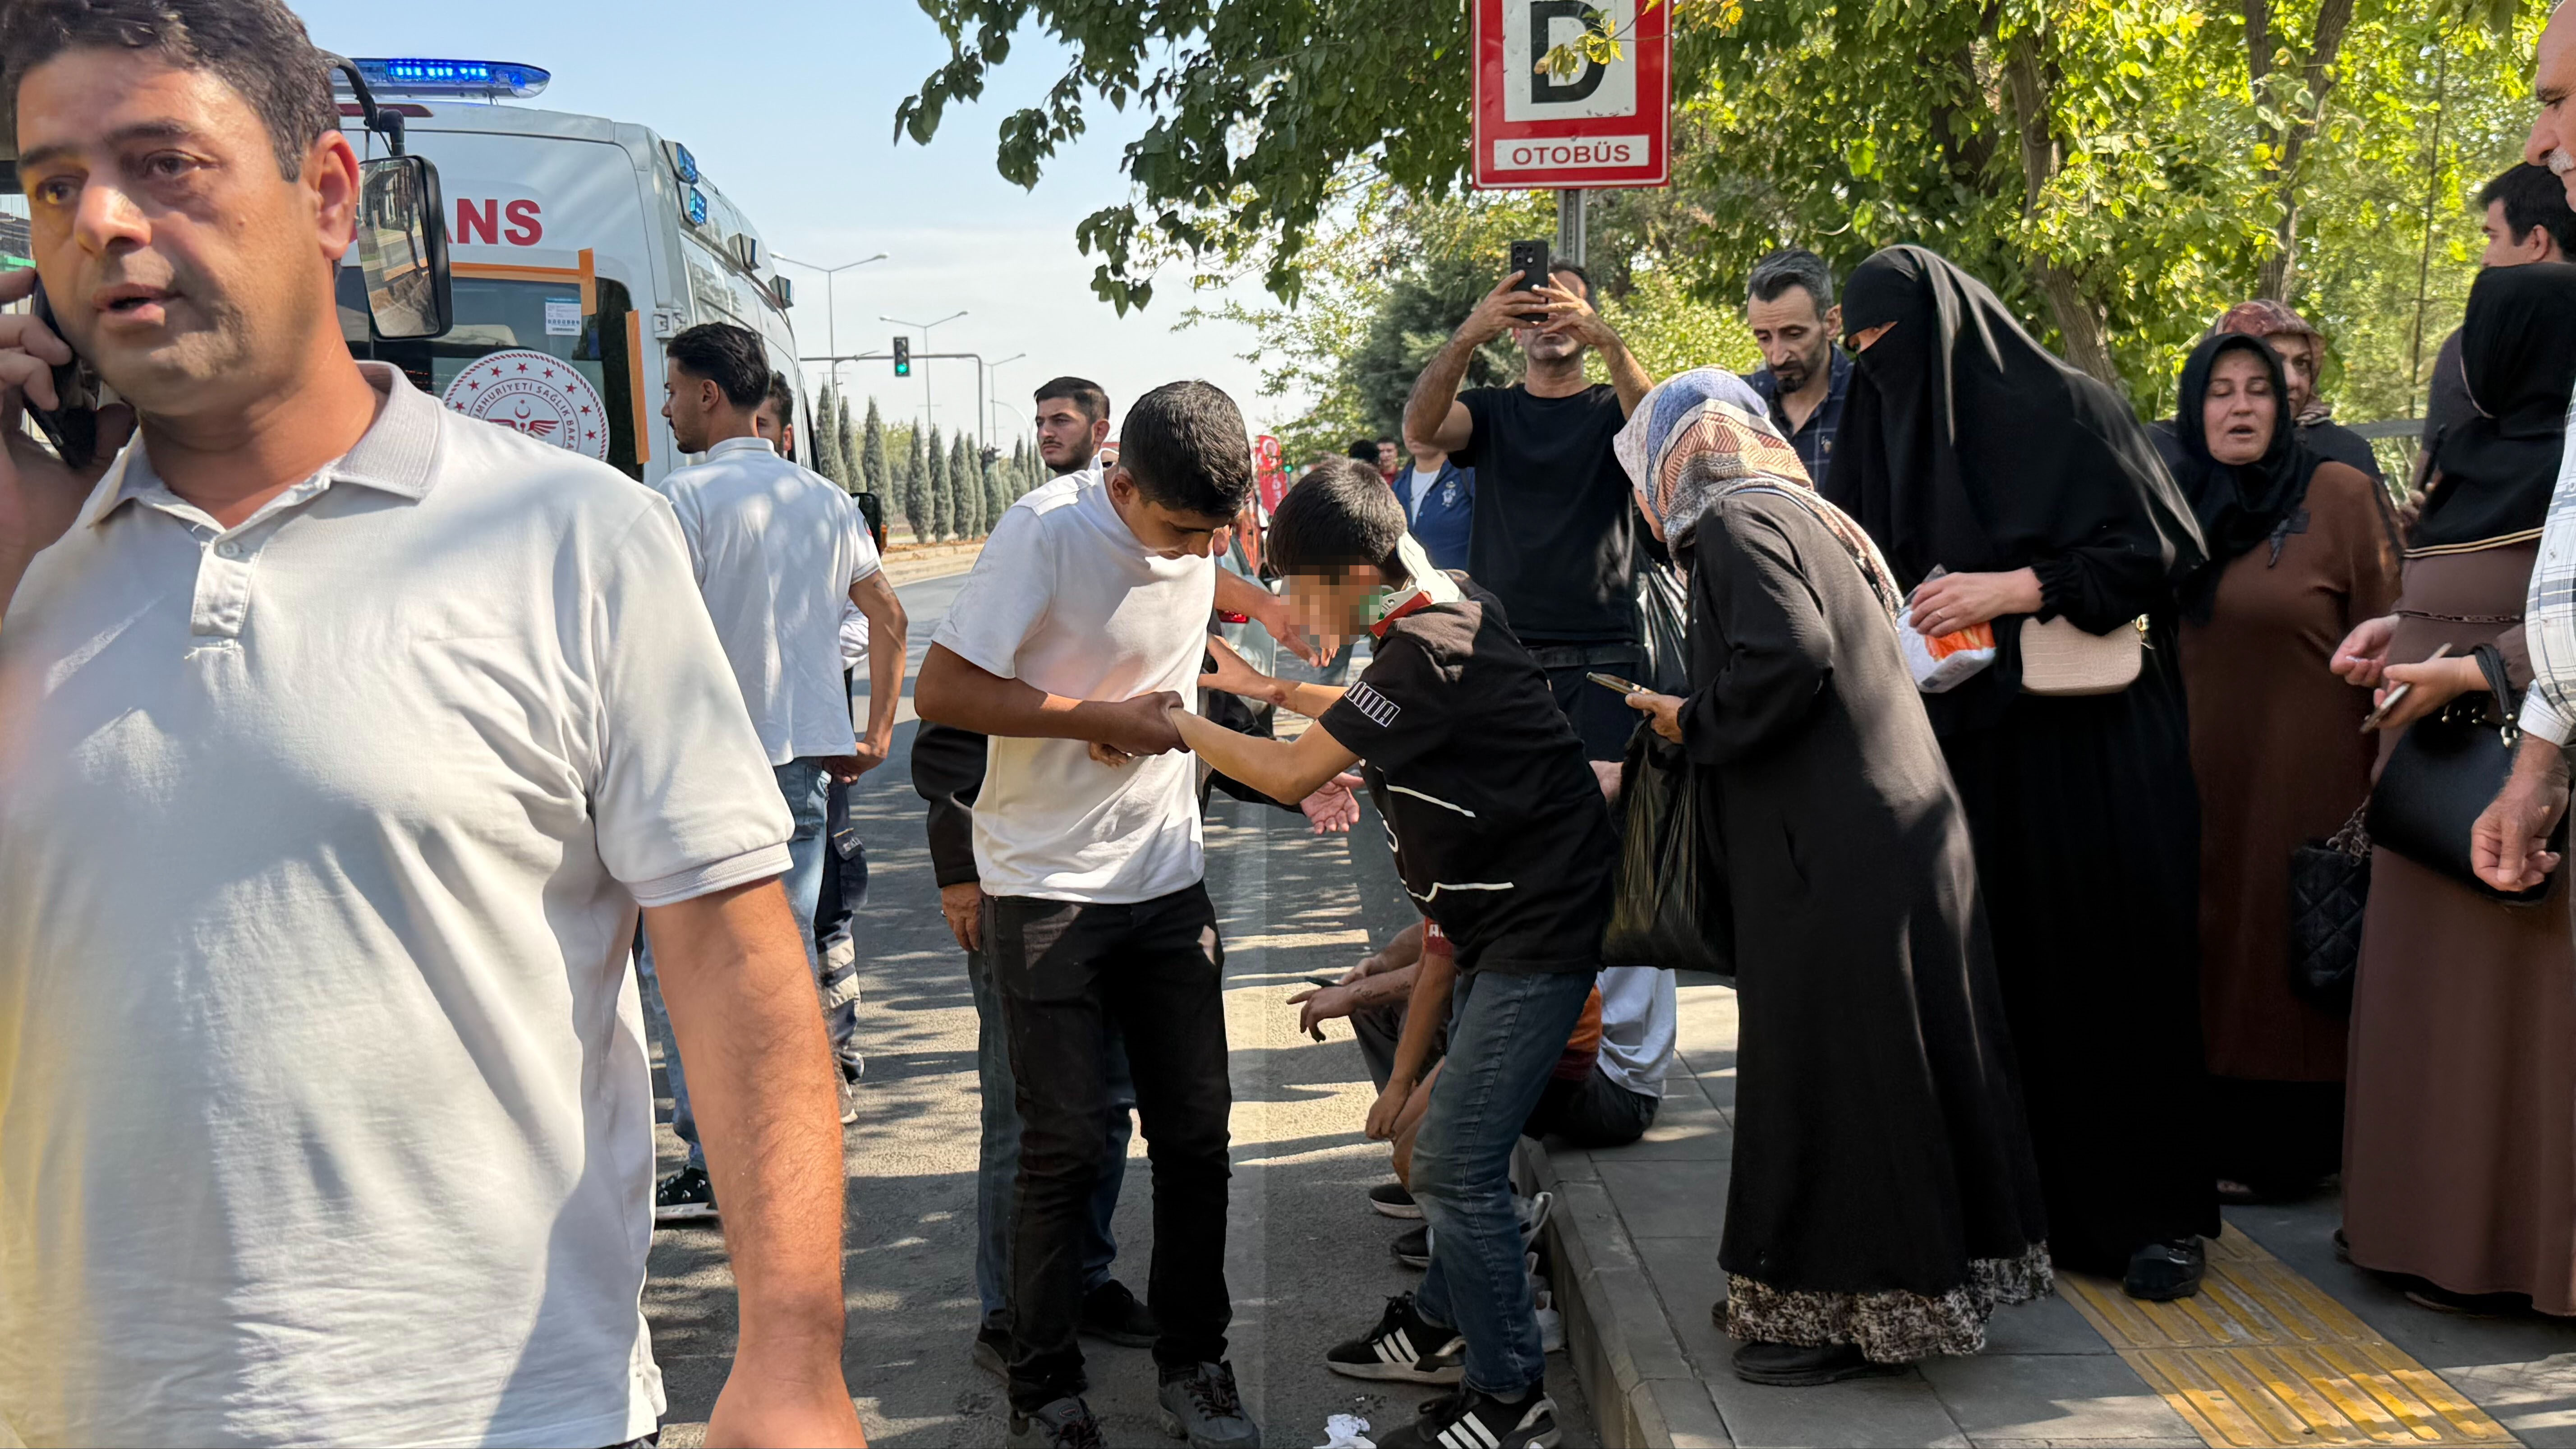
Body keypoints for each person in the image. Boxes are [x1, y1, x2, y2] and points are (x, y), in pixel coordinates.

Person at [0, 3, 867, 1442]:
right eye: (48, 183)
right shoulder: (29, 559)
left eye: (164, 162)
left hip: (506, 1411)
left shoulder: (568, 537)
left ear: (330, 196)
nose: (97, 218)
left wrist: (790, 1354)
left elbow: (728, 953)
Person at [1609, 370, 2050, 1380]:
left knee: (1838, 1079)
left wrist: (1693, 719)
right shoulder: (1810, 515)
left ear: (1672, 460)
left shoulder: (1730, 522)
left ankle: (1851, 1310)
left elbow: (1791, 652)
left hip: (1838, 850)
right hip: (1899, 830)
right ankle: (1934, 1284)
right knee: (1908, 1064)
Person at [1177, 456, 1619, 1449]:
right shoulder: (1440, 614)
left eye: (1299, 586)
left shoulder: (1426, 650)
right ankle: (1441, 1327)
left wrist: (1180, 723)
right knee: (1452, 1154)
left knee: (1456, 1167)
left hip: (1535, 932)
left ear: (1357, 569)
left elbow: (1297, 773)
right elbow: (1360, 714)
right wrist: (1271, 685)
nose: (1289, 604)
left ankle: (1510, 1400)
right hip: (1501, 924)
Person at [1826, 245, 2217, 1301]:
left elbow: (2162, 555)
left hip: (2094, 757)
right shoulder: (1880, 418)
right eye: (1856, 352)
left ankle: (2154, 1220)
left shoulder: (2072, 411)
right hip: (1973, 752)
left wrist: (2014, 587)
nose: (1875, 370)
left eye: (1887, 347)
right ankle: (2020, 1214)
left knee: (2113, 975)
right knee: (2001, 980)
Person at [915, 380, 1262, 1449]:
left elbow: (1190, 632)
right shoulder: (1046, 532)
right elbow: (943, 692)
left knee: (1198, 1140)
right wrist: (1094, 718)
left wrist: (1260, 662)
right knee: (1061, 1146)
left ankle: (1197, 1364)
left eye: (1213, 531)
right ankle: (1043, 1385)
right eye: (1178, 528)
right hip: (1047, 887)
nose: (1194, 548)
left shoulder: (1198, 529)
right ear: (1121, 482)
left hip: (1166, 880)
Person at [2341, 262, 2576, 1317]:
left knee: (2510, 1038)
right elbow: (2454, 588)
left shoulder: (2560, 470)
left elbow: (2561, 625)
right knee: (2424, 1023)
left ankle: (2515, 1263)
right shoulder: (2472, 459)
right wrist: (2404, 631)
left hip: (2511, 773)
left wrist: (2470, 669)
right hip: (2431, 777)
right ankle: (2417, 1235)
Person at [640, 321, 907, 1218]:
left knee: (684, 967)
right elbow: (889, 617)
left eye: (674, 388)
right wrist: (873, 733)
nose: (669, 405)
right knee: (784, 955)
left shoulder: (682, 502)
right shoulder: (827, 500)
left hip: (701, 773)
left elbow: (644, 647)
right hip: (797, 770)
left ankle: (717, 1164)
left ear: (709, 393)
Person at [2160, 335, 2399, 1203]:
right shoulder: (2179, 502)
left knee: (2290, 946)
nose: (2239, 407)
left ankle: (2295, 1149)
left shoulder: (2337, 495)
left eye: (2258, 389)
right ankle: (2213, 1134)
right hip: (2196, 771)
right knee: (2216, 944)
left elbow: (2393, 634)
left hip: (2314, 775)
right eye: (2218, 391)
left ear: (2286, 403)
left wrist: (2384, 776)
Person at [1406, 258, 1655, 760]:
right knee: (1515, 827)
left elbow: (1658, 434)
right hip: (1505, 658)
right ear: (1516, 334)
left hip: (1606, 659)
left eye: (1563, 307)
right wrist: (1468, 336)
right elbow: (1420, 431)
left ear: (1587, 323)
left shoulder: (1615, 409)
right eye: (1535, 311)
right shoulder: (1490, 412)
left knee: (1606, 823)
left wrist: (1610, 341)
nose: (1549, 322)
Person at [2417, 165, 2575, 487]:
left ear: (2536, 241)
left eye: (2493, 237)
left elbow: (2433, 481)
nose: (2486, 259)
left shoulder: (2472, 348)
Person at [2208, 300, 2383, 485]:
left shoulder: (2347, 454)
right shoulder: (2182, 453)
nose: (2293, 381)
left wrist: (2403, 515)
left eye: (2302, 364)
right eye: (2273, 361)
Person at [1741, 247, 1852, 493]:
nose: (1777, 357)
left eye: (1794, 335)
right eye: (1764, 338)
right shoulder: (1740, 404)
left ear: (1832, 323)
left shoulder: (1868, 399)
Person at [1393, 434, 1475, 572]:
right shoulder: (1397, 487)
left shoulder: (1469, 476)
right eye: (1408, 421)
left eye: (1425, 421)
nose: (1415, 430)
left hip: (1463, 590)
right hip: (1413, 591)